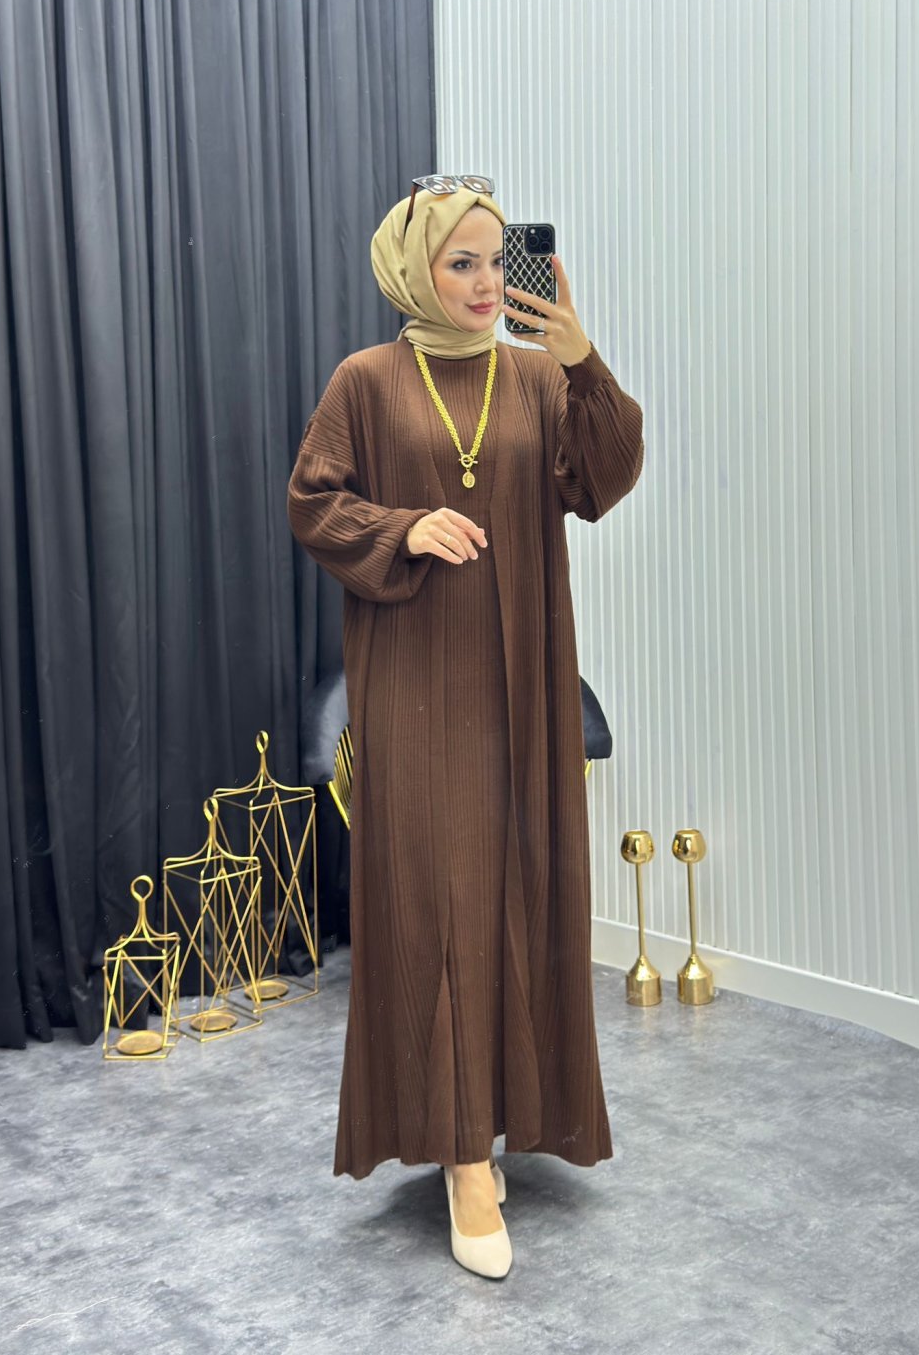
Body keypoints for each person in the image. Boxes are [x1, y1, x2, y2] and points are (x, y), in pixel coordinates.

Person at [287, 177, 644, 1279]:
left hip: (524, 677)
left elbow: (603, 480)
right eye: (462, 263)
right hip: (416, 681)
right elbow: (312, 501)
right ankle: (460, 1157)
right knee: (439, 900)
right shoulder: (366, 380)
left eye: (498, 261)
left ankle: (512, 1110)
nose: (488, 283)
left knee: (521, 887)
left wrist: (582, 360)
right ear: (415, 270)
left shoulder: (535, 376)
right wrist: (403, 527)